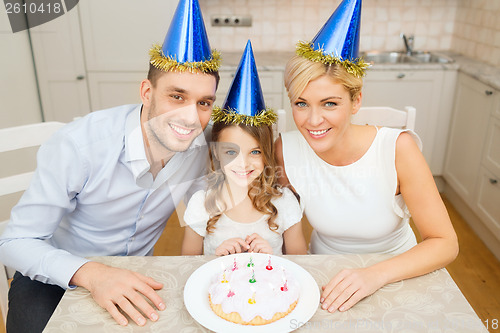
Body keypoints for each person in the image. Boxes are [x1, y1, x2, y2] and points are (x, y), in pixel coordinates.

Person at [0, 0, 220, 331]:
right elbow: (14, 243)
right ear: (147, 92)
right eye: (177, 96)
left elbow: (220, 198)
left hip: (136, 272)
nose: (191, 118)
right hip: (55, 272)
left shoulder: (202, 145)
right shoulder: (79, 146)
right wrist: (92, 273)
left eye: (203, 103)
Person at [275, 0, 458, 314]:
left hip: (398, 274)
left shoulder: (398, 149)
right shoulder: (286, 149)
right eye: (301, 104)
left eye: (330, 104)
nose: (312, 120)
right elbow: (271, 216)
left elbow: (445, 242)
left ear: (356, 100)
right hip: (324, 275)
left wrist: (375, 275)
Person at [181, 41, 307, 256]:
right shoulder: (201, 205)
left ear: (267, 155)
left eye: (255, 152)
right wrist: (214, 259)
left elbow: (301, 262)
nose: (243, 163)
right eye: (231, 152)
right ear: (216, 155)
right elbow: (185, 265)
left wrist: (272, 258)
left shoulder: (284, 203)